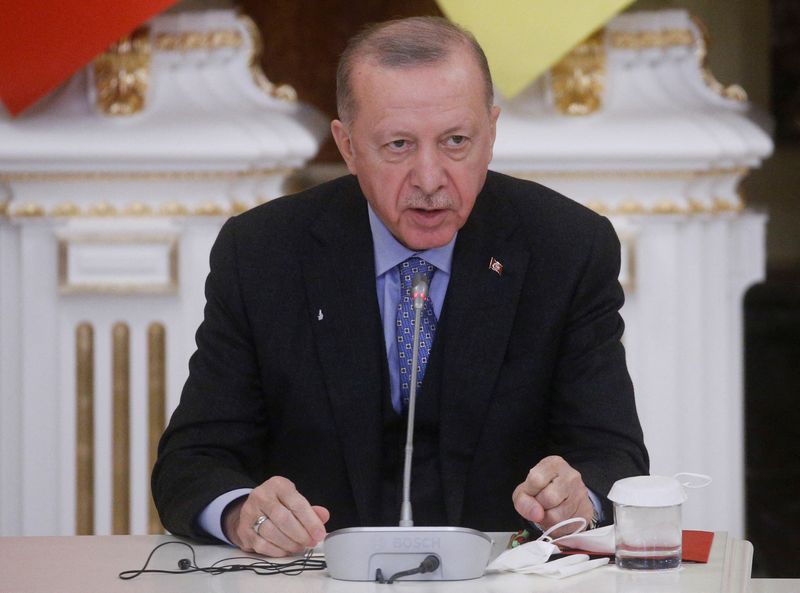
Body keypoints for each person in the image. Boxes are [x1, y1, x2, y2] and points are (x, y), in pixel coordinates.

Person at [152, 16, 648, 558]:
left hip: (504, 575)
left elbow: (613, 456)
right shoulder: (263, 253)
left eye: (456, 141)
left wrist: (581, 500)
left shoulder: (567, 248)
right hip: (315, 575)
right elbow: (192, 462)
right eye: (398, 145)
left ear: (492, 133)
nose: (430, 178)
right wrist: (240, 513)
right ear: (347, 145)